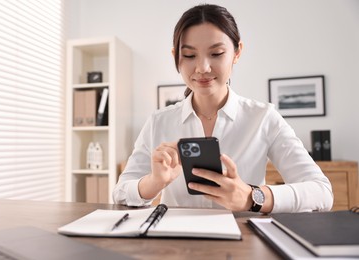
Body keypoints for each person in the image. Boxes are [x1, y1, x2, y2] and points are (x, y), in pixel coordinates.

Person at [113, 4, 333, 213]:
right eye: (189, 56)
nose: (202, 68)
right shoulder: (159, 122)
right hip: (177, 246)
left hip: (244, 245)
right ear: (176, 57)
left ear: (237, 53)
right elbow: (120, 193)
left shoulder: (263, 118)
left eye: (216, 53)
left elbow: (322, 192)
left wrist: (252, 197)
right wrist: (154, 182)